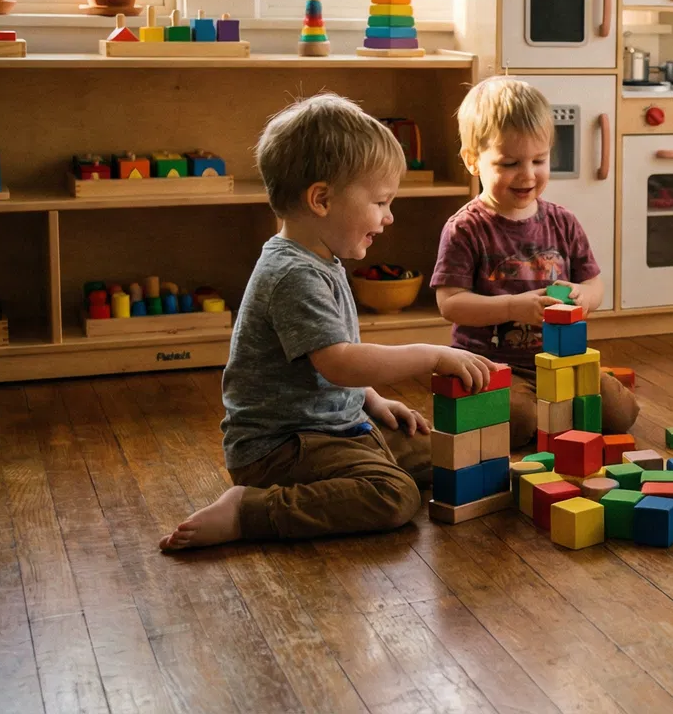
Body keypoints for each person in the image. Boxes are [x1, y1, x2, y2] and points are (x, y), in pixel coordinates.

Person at [160, 94, 494, 551]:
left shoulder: (321, 259)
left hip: (334, 428)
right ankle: (248, 510)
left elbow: (329, 361)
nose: (389, 217)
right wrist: (431, 355)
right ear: (321, 199)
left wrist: (371, 400)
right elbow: (339, 363)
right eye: (380, 202)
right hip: (282, 449)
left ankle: (360, 456)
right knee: (395, 497)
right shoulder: (293, 273)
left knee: (447, 456)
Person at [432, 77, 638, 451]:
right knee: (518, 422)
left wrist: (582, 297)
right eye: (510, 163)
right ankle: (541, 415)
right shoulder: (465, 228)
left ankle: (559, 412)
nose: (528, 175)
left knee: (621, 414)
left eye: (539, 161)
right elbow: (450, 303)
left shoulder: (563, 221)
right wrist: (514, 307)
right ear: (472, 161)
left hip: (560, 360)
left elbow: (595, 285)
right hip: (492, 365)